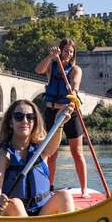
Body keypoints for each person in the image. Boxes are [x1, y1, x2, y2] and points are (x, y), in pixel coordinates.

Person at [0, 99, 75, 217]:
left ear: (34, 122)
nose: (25, 121)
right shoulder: (4, 154)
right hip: (15, 212)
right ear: (11, 123)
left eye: (30, 117)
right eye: (18, 117)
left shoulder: (40, 148)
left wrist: (59, 123)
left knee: (64, 195)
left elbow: (51, 148)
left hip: (42, 211)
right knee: (16, 203)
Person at [34, 38, 88, 198]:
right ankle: (49, 187)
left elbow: (76, 84)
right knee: (51, 153)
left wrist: (74, 90)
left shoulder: (75, 69)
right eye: (66, 51)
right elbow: (38, 70)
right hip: (52, 112)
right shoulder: (52, 65)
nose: (68, 54)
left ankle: (84, 189)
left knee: (77, 152)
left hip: (69, 113)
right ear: (60, 50)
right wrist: (51, 56)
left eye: (71, 52)